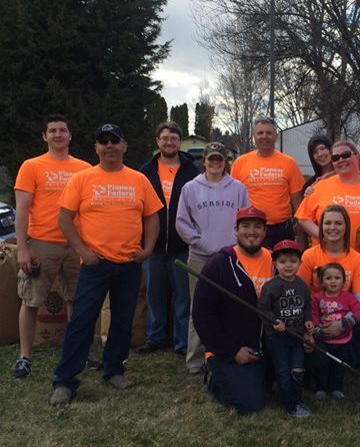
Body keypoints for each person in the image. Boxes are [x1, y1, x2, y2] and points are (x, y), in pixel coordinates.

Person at [49, 124, 162, 405]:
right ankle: (65, 382)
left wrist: (147, 249)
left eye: (115, 141)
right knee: (82, 322)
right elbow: (64, 218)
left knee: (122, 322)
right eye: (104, 142)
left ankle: (114, 371)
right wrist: (82, 250)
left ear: (124, 146)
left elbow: (151, 217)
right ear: (96, 148)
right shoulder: (82, 179)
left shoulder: (139, 180)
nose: (109, 145)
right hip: (94, 264)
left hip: (129, 264)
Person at [12, 114, 91, 379]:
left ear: (70, 136)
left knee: (76, 301)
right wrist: (22, 248)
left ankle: (78, 352)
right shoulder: (31, 166)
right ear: (44, 136)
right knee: (31, 301)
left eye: (63, 130)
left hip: (76, 245)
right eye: (53, 130)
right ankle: (25, 357)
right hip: (42, 243)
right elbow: (21, 211)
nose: (58, 135)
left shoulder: (84, 168)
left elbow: (90, 209)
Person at [296, 139, 360, 378]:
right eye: (336, 158)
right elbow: (302, 217)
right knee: (324, 312)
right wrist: (323, 237)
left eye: (347, 154)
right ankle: (324, 365)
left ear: (358, 157)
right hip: (324, 264)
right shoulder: (321, 187)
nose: (341, 160)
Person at [176, 142, 249, 374]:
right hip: (200, 256)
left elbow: (246, 220)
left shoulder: (237, 188)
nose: (215, 163)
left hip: (231, 257)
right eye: (211, 159)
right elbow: (181, 222)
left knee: (231, 307)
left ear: (225, 161)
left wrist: (237, 246)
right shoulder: (190, 188)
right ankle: (196, 359)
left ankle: (224, 353)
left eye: (220, 159)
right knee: (199, 308)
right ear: (204, 161)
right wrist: (200, 241)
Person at [193, 206, 273, 414]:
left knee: (284, 385)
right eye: (245, 226)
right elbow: (202, 316)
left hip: (266, 345)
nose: (251, 232)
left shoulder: (275, 261)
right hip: (229, 350)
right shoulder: (219, 264)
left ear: (265, 231)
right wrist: (231, 351)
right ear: (236, 230)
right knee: (250, 404)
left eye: (258, 227)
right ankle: (214, 377)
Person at [137, 121, 199, 356]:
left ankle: (182, 341)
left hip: (182, 245)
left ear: (179, 142)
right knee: (154, 294)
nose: (169, 142)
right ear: (157, 141)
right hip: (152, 245)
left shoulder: (192, 171)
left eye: (173, 138)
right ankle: (155, 337)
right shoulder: (146, 171)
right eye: (165, 138)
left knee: (183, 296)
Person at [257, 239, 313, 417]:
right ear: (274, 264)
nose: (288, 265)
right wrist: (274, 321)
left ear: (299, 263)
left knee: (297, 369)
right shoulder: (271, 287)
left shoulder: (302, 285)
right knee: (283, 371)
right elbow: (262, 309)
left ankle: (297, 399)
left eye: (293, 261)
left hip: (297, 337)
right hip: (277, 338)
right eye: (282, 262)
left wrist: (308, 320)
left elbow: (307, 305)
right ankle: (290, 405)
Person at [230, 116, 305, 248]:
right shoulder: (240, 163)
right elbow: (232, 199)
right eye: (260, 133)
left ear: (276, 136)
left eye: (269, 133)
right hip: (251, 230)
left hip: (282, 229)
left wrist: (301, 234)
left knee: (282, 268)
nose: (264, 136)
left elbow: (297, 202)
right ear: (254, 136)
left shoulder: (289, 163)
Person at [312, 262, 360, 399]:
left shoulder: (347, 297)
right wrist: (317, 329)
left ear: (343, 280)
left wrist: (345, 323)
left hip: (343, 340)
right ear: (322, 281)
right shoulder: (317, 298)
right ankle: (321, 388)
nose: (333, 281)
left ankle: (335, 388)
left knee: (338, 365)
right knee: (322, 365)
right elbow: (313, 315)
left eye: (337, 278)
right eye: (328, 278)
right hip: (323, 339)